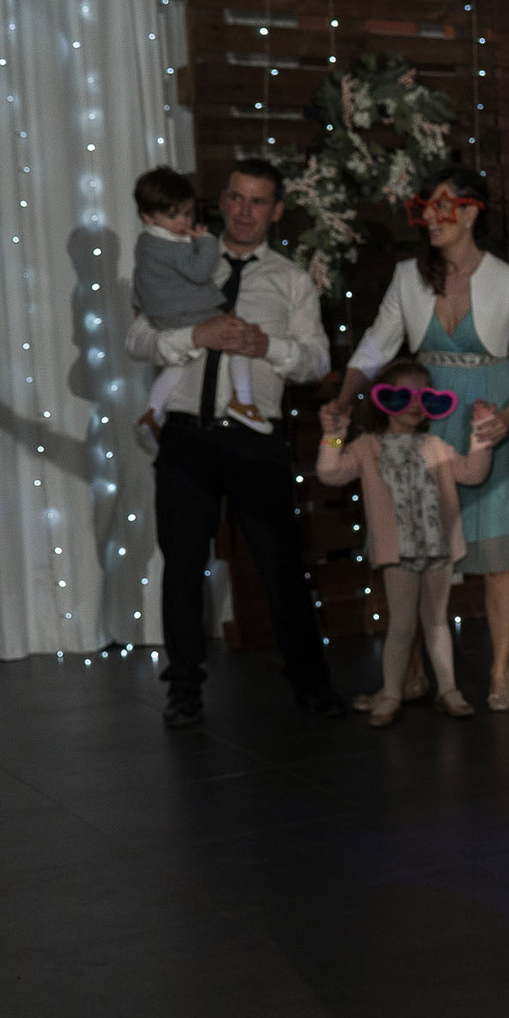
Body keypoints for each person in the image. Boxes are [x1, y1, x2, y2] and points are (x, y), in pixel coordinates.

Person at [125, 158, 342, 729]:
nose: (245, 211)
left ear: (275, 211)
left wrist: (264, 346)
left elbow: (317, 359)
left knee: (281, 567)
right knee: (182, 566)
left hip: (255, 442)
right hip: (186, 439)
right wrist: (196, 335)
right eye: (236, 199)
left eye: (258, 201)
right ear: (220, 202)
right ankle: (185, 689)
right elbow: (136, 337)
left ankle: (310, 682)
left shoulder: (291, 280)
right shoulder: (174, 255)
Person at [337, 168, 509, 711]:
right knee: (413, 549)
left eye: (443, 206)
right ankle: (409, 671)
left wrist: (507, 415)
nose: (431, 217)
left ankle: (501, 671)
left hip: (487, 420)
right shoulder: (410, 276)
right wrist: (345, 398)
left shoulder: (505, 280)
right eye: (426, 207)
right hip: (425, 421)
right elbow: (376, 346)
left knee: (499, 551)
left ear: (472, 212)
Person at [314, 360, 509, 723]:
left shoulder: (435, 444)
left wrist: (481, 433)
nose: (415, 404)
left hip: (438, 547)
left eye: (425, 397)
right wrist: (334, 434)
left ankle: (448, 689)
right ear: (384, 400)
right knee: (402, 623)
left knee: (436, 620)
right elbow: (329, 472)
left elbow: (472, 472)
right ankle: (390, 693)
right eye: (403, 395)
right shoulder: (368, 446)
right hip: (399, 552)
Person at [130, 168, 266, 451]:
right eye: (173, 215)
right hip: (184, 312)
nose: (183, 222)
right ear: (148, 216)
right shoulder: (170, 245)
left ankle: (152, 413)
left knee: (179, 364)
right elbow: (199, 272)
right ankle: (244, 400)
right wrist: (204, 241)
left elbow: (143, 283)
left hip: (164, 315)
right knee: (236, 334)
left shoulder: (145, 243)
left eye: (187, 213)